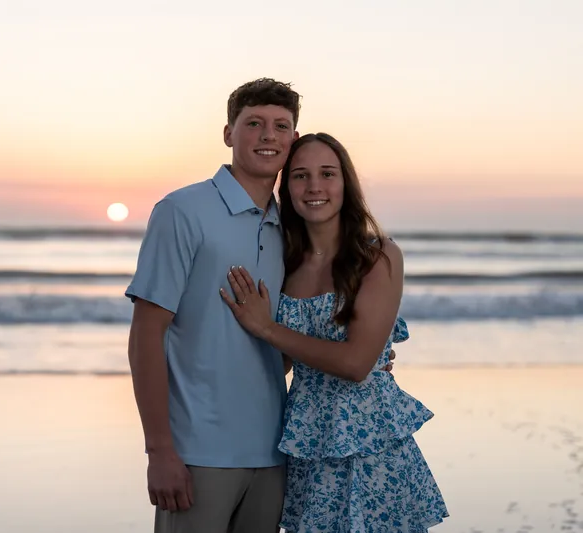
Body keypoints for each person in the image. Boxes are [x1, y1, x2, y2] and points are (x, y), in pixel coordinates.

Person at [125, 78, 397, 533]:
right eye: (253, 123)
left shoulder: (288, 232)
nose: (268, 135)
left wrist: (365, 355)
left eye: (280, 126)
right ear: (228, 133)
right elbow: (146, 335)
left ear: (292, 140)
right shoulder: (182, 211)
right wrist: (160, 450)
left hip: (276, 452)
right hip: (199, 451)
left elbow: (279, 348)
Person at [219, 132, 449, 532]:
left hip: (371, 442)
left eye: (327, 173)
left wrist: (268, 328)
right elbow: (281, 363)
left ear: (346, 183)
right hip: (308, 442)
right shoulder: (283, 262)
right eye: (300, 176)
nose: (314, 187)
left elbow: (356, 364)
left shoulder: (376, 256)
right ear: (286, 187)